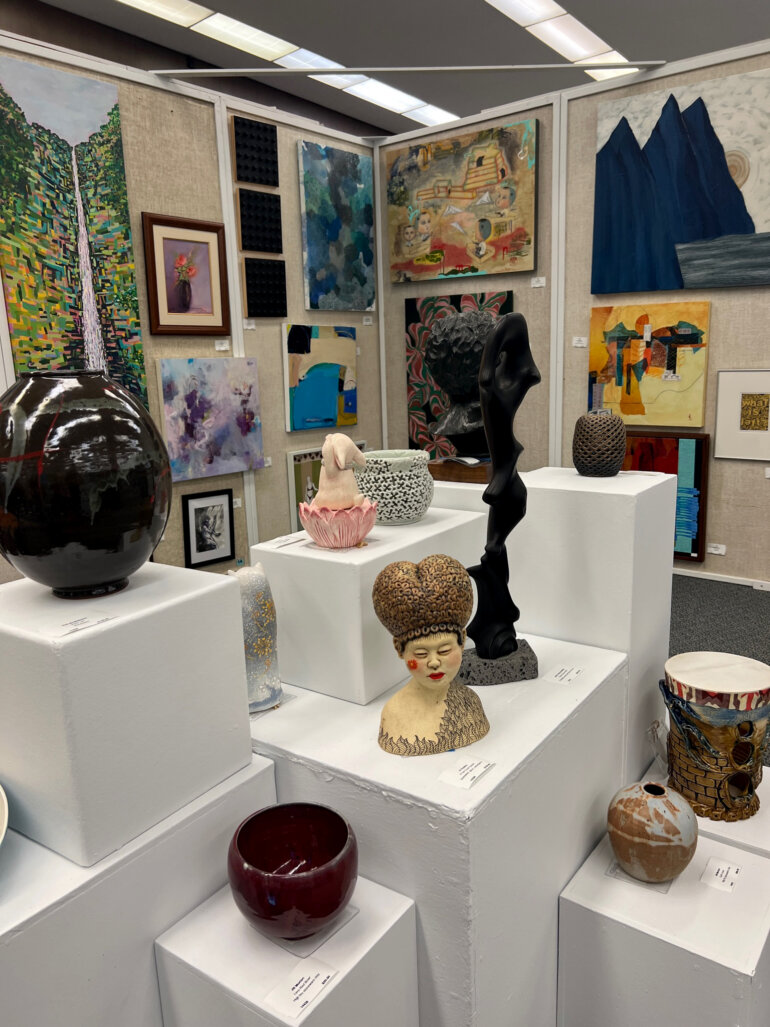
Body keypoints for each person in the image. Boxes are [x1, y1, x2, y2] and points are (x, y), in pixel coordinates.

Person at [372, 554, 490, 756]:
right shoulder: (394, 715)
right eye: (420, 653)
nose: (434, 662)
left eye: (444, 650)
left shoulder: (469, 703)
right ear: (399, 649)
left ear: (462, 640)